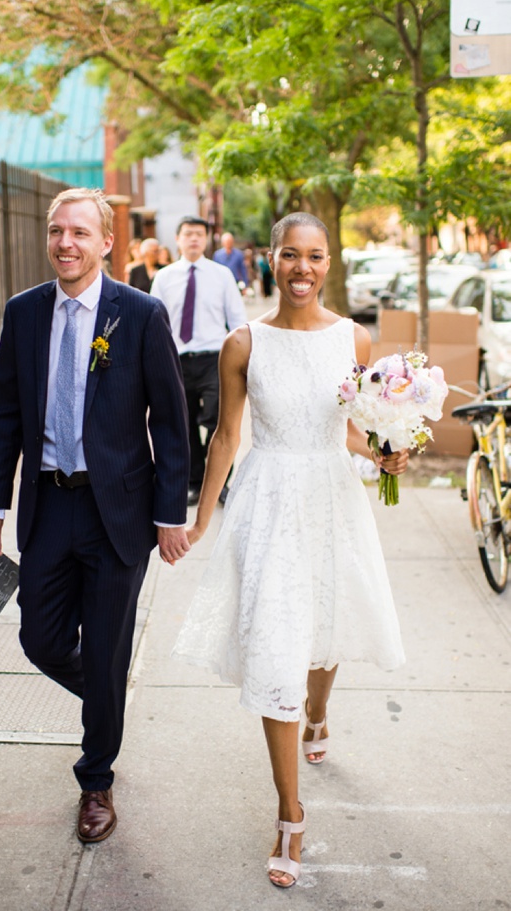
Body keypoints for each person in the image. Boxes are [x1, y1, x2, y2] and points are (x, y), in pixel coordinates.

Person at [173, 211, 407, 888]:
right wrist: (200, 521)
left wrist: (387, 453)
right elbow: (224, 438)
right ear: (269, 260)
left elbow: (356, 428)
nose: (302, 267)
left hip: (333, 499)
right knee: (277, 644)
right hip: (269, 501)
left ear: (327, 262)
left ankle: (320, 710)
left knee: (323, 639)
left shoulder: (353, 339)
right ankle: (290, 811)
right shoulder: (243, 344)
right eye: (290, 255)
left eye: (315, 255)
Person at [0, 188, 190, 845]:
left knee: (109, 638)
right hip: (48, 502)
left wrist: (170, 511)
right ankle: (107, 696)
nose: (66, 242)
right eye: (57, 230)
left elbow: (172, 424)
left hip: (118, 507)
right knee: (40, 637)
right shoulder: (24, 312)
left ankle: (96, 777)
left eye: (80, 233)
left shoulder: (140, 315)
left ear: (106, 242)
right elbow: (3, 410)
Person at [150, 215, 246, 506]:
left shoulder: (222, 275)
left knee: (220, 422)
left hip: (215, 360)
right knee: (185, 423)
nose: (194, 239)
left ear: (206, 240)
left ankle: (220, 483)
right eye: (188, 234)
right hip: (176, 360)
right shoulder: (164, 277)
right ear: (177, 240)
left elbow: (238, 321)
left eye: (199, 235)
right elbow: (155, 321)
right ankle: (195, 482)